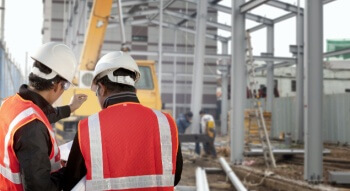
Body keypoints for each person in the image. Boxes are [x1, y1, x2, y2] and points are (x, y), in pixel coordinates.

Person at [63, 51, 183, 190]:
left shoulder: (89, 127)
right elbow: (174, 177)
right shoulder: (166, 123)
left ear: (101, 89)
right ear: (134, 89)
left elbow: (69, 182)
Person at [0, 42, 87, 191]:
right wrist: (71, 171)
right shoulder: (32, 126)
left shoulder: (10, 103)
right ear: (57, 85)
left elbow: (40, 116)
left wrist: (70, 108)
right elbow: (40, 188)